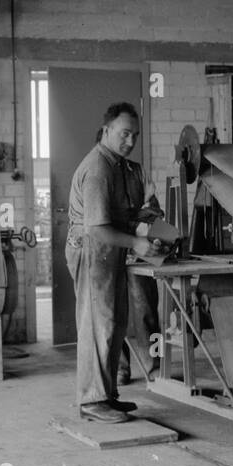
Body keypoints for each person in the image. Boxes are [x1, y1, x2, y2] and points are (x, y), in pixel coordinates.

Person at [66, 103, 156, 424]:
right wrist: (137, 242)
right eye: (124, 134)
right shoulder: (99, 169)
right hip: (92, 250)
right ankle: (92, 400)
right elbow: (97, 228)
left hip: (109, 251)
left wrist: (145, 218)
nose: (130, 141)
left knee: (115, 322)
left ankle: (107, 395)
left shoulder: (120, 166)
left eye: (134, 135)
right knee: (97, 323)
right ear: (106, 131)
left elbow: (124, 213)